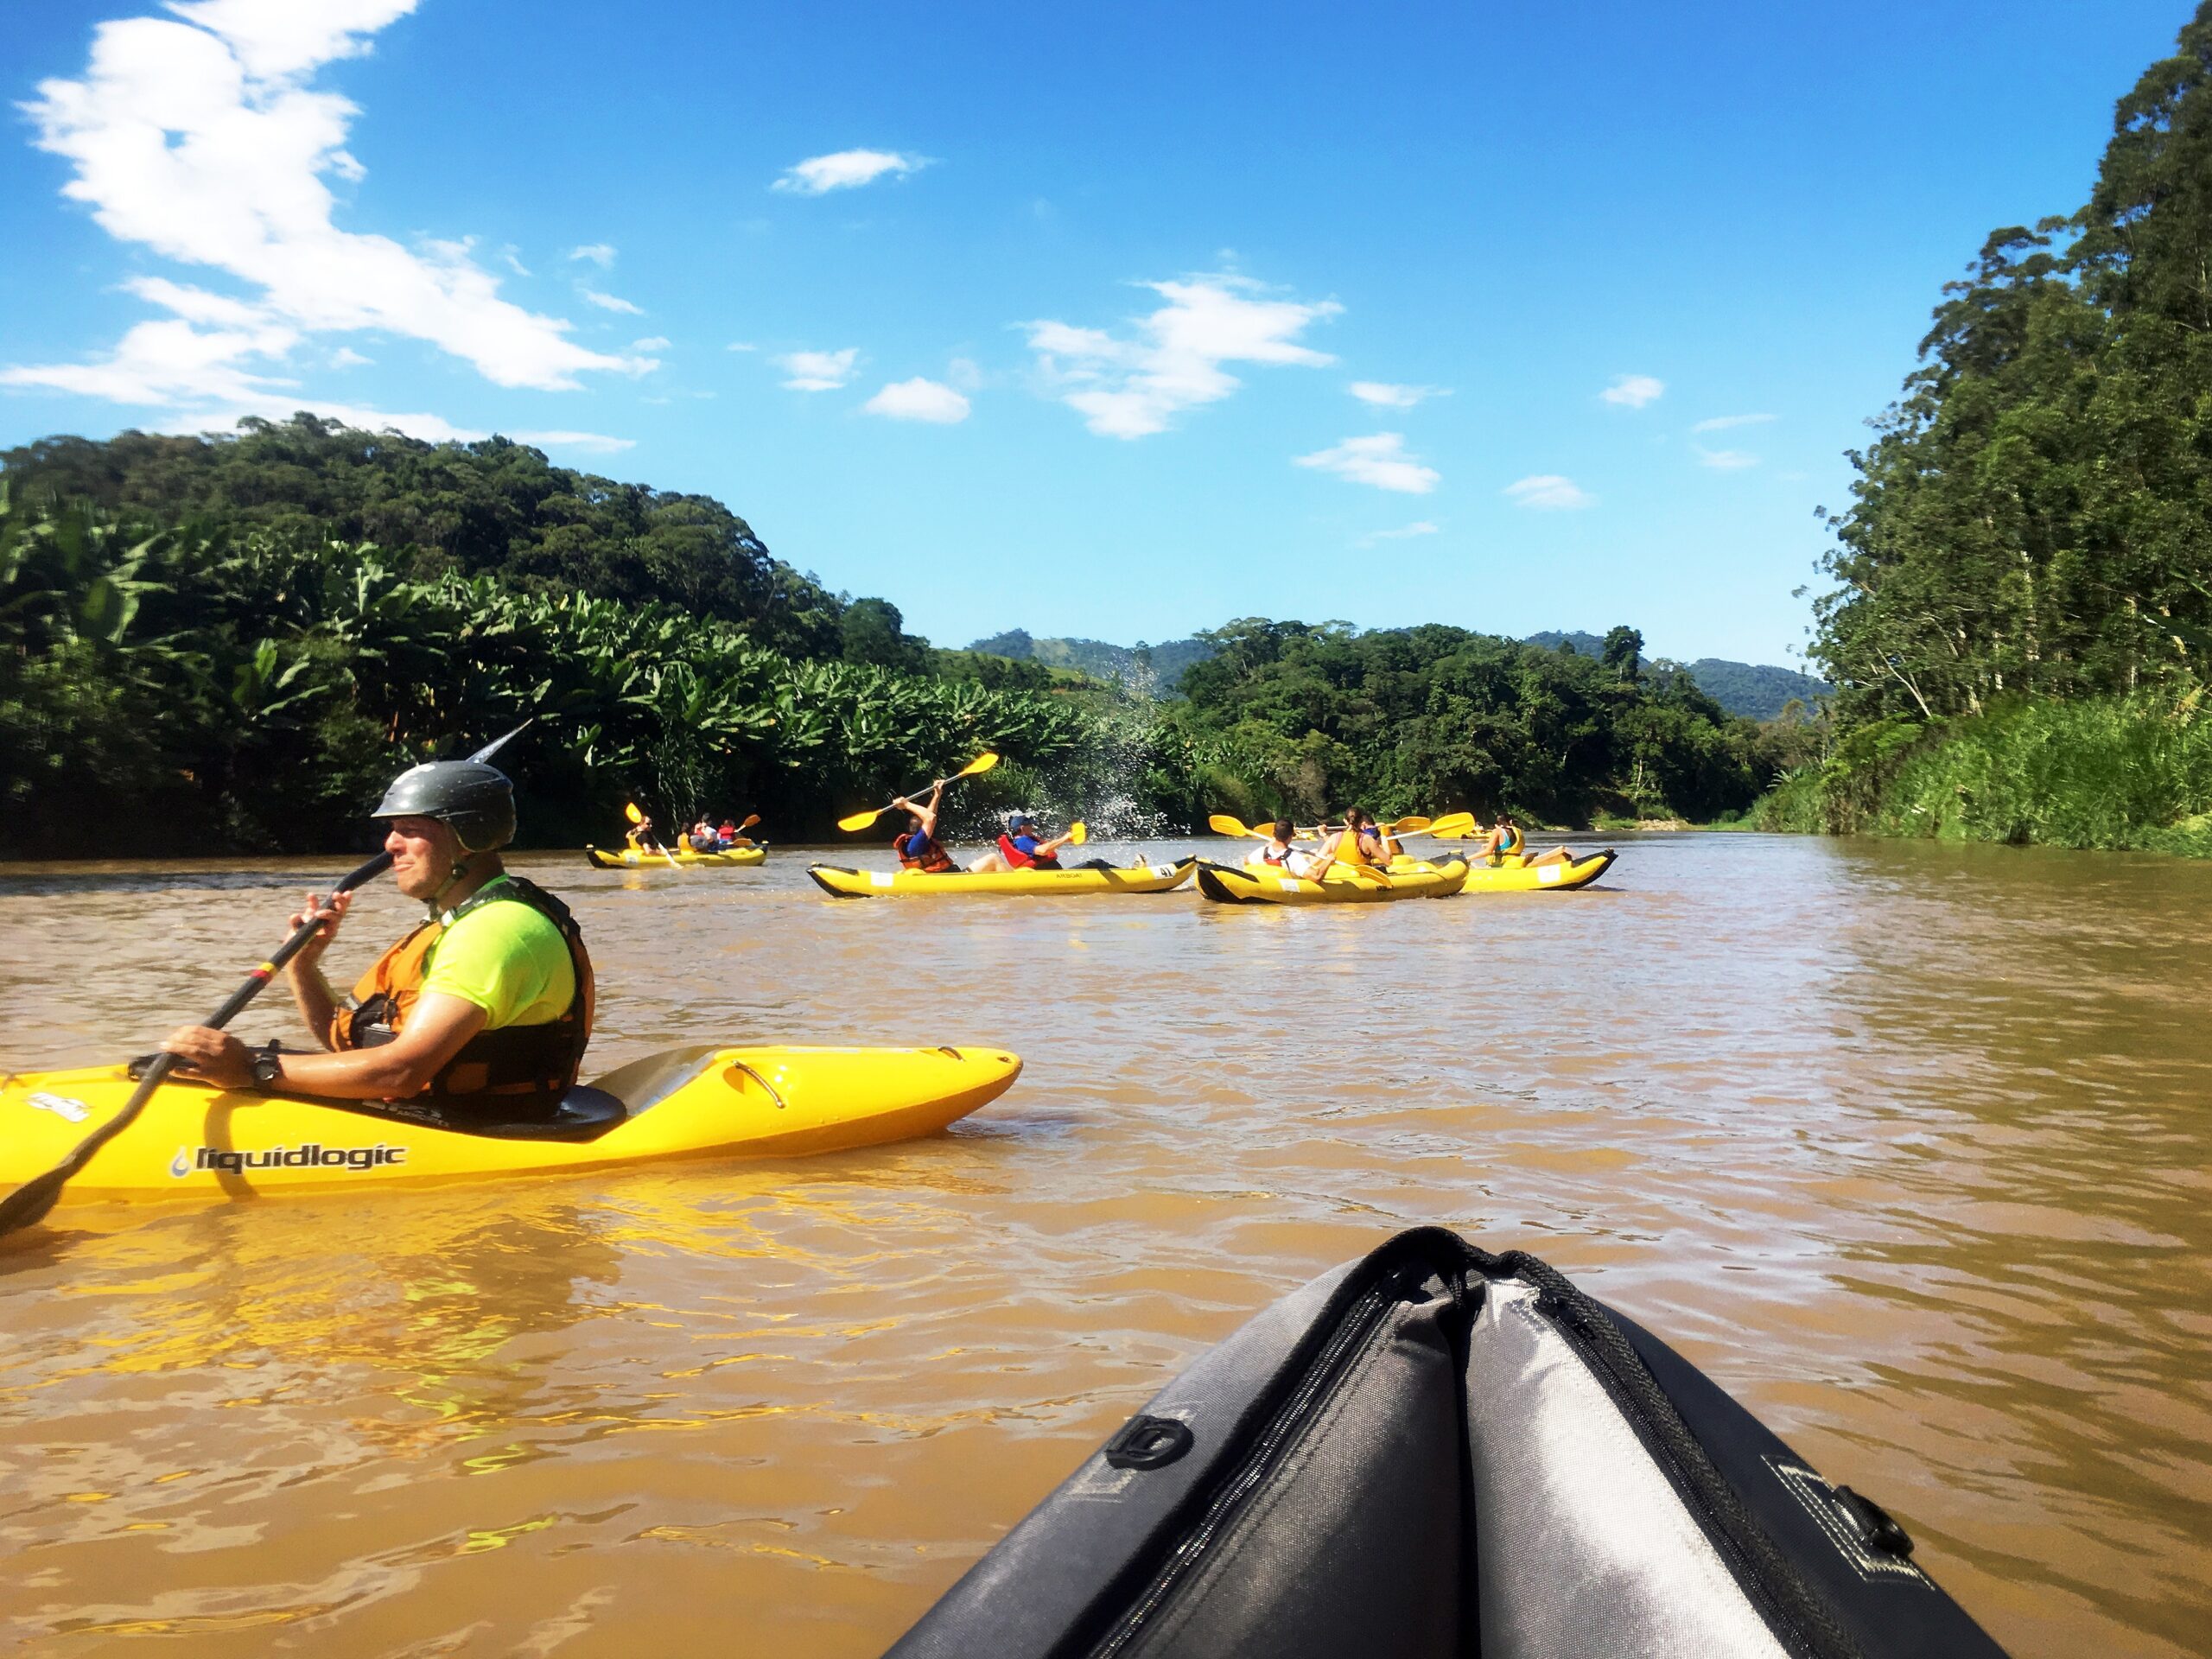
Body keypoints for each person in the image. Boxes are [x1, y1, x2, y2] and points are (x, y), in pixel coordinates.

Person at [159, 755, 594, 1123]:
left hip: (476, 1127)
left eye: (410, 828)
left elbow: (399, 1072)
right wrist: (304, 966)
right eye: (392, 828)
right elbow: (349, 1047)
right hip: (432, 1112)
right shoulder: (458, 922)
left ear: (469, 838)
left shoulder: (494, 932)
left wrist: (254, 1068)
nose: (390, 845)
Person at [971, 810, 1078, 874]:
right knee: (1094, 864)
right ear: (1022, 828)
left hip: (1054, 874)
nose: (1032, 827)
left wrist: (1066, 840)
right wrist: (1064, 838)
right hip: (1050, 876)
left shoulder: (1025, 840)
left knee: (1093, 863)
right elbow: (1043, 851)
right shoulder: (1022, 841)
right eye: (1030, 825)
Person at [892, 780, 957, 873]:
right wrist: (906, 804)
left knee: (986, 859)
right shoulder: (915, 845)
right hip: (944, 881)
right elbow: (930, 818)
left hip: (952, 876)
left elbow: (929, 815)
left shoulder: (917, 840)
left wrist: (937, 794)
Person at [1307, 807, 1389, 881]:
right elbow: (1389, 861)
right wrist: (1384, 838)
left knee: (1314, 851)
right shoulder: (1367, 839)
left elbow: (1315, 863)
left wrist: (1312, 855)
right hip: (1360, 877)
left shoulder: (1334, 837)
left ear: (1346, 820)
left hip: (1340, 876)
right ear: (1361, 821)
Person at [1244, 820, 1317, 878]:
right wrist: (1329, 858)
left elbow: (1246, 861)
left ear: (1273, 834)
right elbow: (1316, 876)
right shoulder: (1294, 858)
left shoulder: (1261, 851)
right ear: (1291, 837)